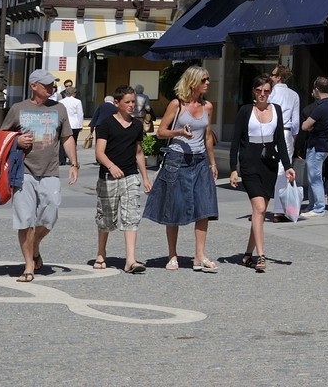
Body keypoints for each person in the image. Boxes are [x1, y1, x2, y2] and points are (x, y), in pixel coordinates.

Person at [0, 70, 79, 281]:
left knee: (50, 215)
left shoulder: (59, 108)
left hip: (50, 171)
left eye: (53, 84)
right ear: (34, 86)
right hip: (23, 172)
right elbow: (2, 136)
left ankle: (34, 244)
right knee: (25, 220)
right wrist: (16, 141)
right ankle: (29, 266)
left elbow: (67, 137)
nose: (52, 88)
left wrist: (74, 163)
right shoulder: (18, 109)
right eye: (47, 85)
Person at [142, 66, 220, 272]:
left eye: (208, 79)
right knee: (174, 207)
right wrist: (179, 132)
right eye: (204, 79)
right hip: (177, 160)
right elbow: (160, 132)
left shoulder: (208, 106)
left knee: (204, 208)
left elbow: (208, 137)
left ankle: (199, 256)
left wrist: (212, 163)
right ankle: (172, 255)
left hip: (200, 161)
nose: (207, 83)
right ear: (192, 82)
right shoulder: (177, 104)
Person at [228, 74, 294, 273]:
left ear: (270, 92)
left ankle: (247, 254)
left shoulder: (277, 110)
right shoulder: (245, 111)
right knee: (259, 207)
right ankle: (261, 255)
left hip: (269, 164)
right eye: (259, 90)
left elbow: (280, 141)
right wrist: (233, 169)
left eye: (266, 90)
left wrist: (288, 166)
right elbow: (235, 141)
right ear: (253, 91)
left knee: (260, 212)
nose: (262, 94)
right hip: (249, 163)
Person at [92, 85, 152, 273]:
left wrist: (145, 177)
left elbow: (139, 152)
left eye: (133, 101)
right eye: (128, 102)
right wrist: (111, 166)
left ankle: (130, 260)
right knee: (106, 218)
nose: (132, 105)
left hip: (130, 176)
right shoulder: (106, 124)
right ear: (117, 103)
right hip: (108, 177)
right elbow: (99, 152)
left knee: (131, 217)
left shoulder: (137, 125)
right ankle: (101, 253)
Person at [298, 76, 328, 217]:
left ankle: (318, 207)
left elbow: (304, 126)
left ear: (316, 89)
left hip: (317, 146)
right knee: (314, 177)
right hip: (325, 145)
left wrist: (310, 126)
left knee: (314, 178)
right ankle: (312, 205)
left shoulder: (320, 107)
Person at [267, 65, 301, 218]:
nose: (271, 77)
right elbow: (296, 122)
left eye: (273, 74)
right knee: (283, 169)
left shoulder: (271, 93)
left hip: (270, 132)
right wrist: (293, 138)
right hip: (286, 132)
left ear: (279, 77)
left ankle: (264, 205)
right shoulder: (294, 95)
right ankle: (279, 209)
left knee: (267, 167)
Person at [59, 87, 85, 159]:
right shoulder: (77, 101)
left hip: (64, 123)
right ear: (74, 93)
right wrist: (81, 125)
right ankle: (72, 158)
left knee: (62, 142)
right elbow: (80, 114)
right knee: (73, 142)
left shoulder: (61, 101)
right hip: (74, 124)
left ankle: (61, 159)